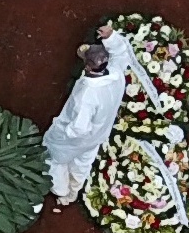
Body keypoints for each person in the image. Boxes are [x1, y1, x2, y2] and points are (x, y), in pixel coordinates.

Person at [42, 22, 137, 202]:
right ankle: (74, 191)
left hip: (74, 139)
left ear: (87, 67)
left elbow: (79, 128)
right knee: (83, 163)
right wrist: (110, 37)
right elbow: (121, 53)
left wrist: (61, 129)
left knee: (54, 159)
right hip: (99, 134)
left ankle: (62, 191)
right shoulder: (116, 73)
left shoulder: (87, 95)